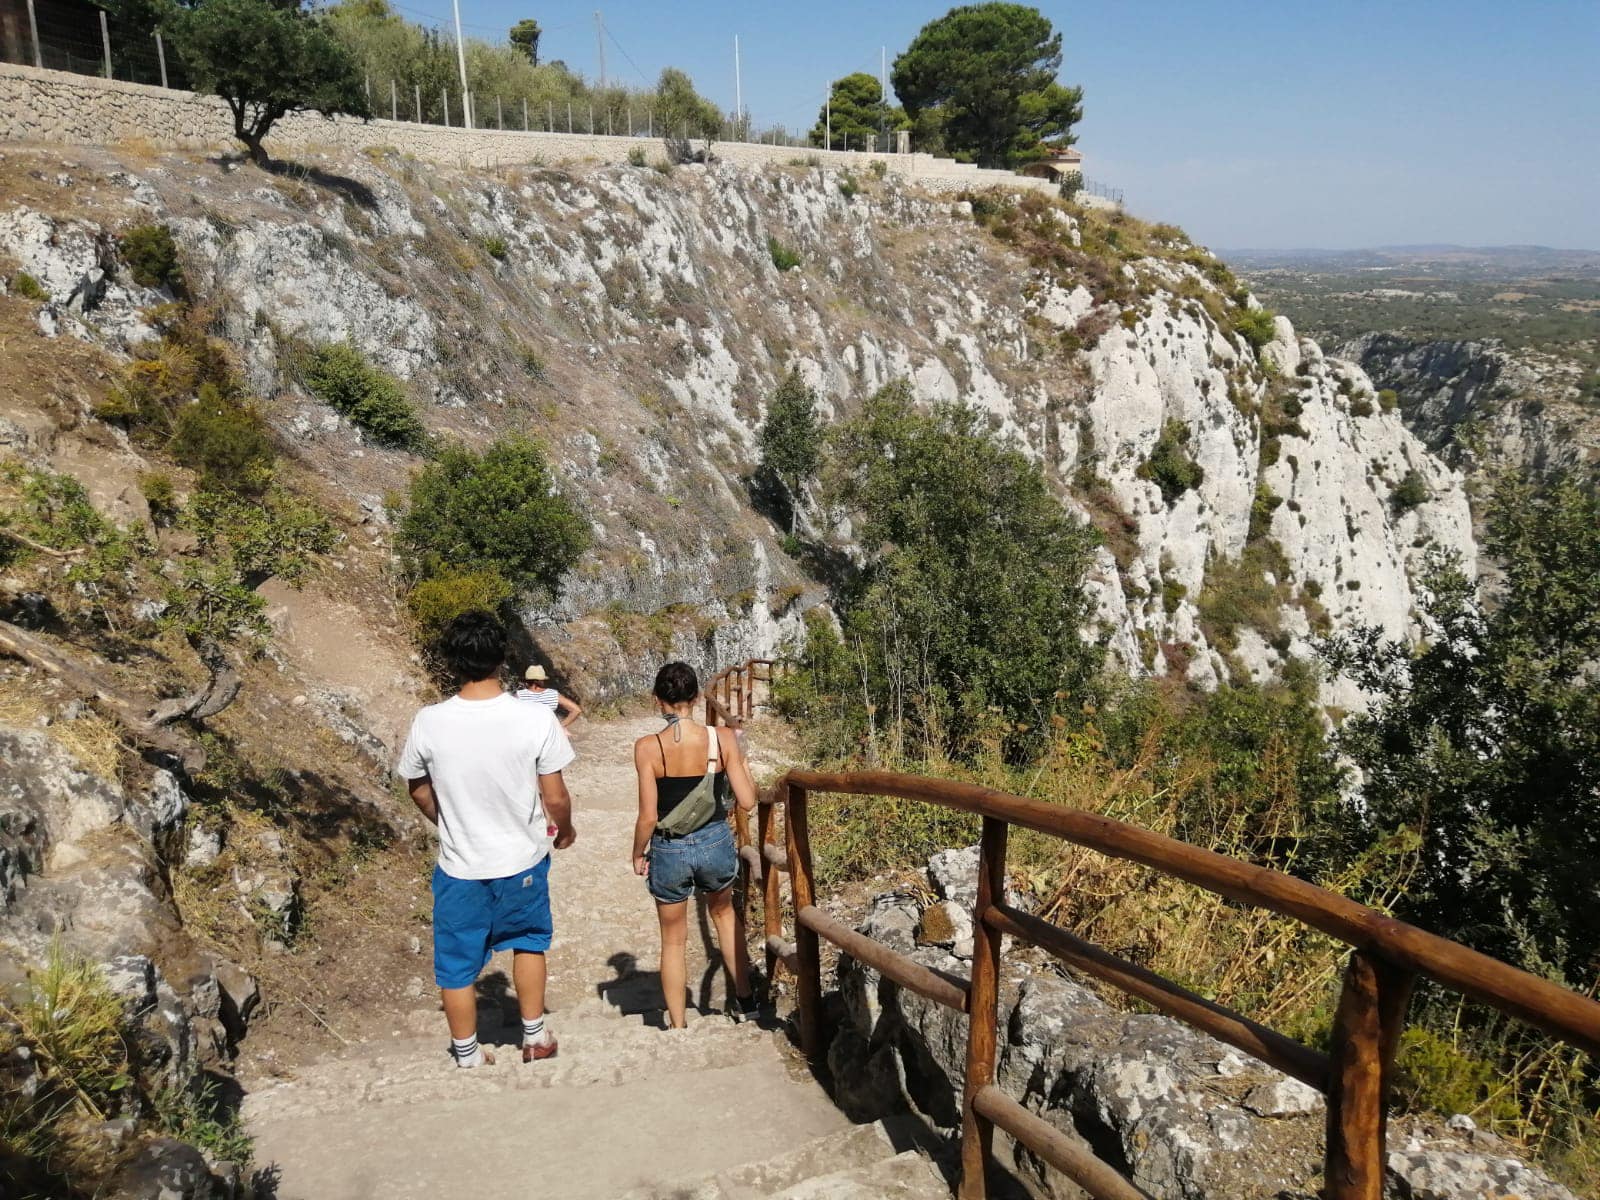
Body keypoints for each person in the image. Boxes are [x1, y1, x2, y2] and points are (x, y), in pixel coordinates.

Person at [397, 610, 577, 1068]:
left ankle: (467, 1054)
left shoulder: (429, 721)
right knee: (530, 940)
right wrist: (566, 830)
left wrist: (448, 820)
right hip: (522, 859)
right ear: (503, 658)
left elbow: (416, 785)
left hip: (460, 867)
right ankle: (534, 1038)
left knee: (456, 964)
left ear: (452, 660)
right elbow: (554, 796)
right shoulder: (534, 719)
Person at [632, 662, 760, 1028]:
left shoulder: (647, 748)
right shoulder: (723, 738)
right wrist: (742, 760)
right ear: (697, 697)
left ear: (658, 700)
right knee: (724, 916)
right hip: (714, 840)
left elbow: (647, 816)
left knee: (673, 939)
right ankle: (747, 1004)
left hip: (669, 848)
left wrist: (638, 853)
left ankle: (678, 1025)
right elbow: (748, 801)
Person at [516, 664, 583, 730]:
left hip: (527, 733)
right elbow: (576, 710)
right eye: (543, 679)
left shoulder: (519, 695)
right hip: (547, 734)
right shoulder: (553, 694)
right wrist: (560, 727)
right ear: (539, 680)